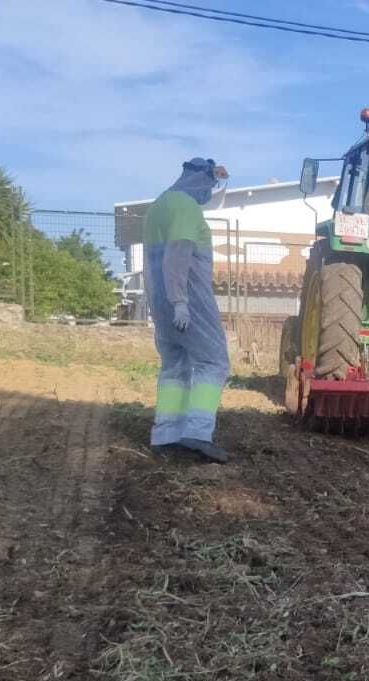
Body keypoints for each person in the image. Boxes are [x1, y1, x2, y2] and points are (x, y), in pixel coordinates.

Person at [145, 158, 230, 463]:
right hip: (189, 300)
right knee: (214, 362)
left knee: (174, 367)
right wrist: (180, 300)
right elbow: (177, 254)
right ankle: (197, 432)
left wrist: (168, 302)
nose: (211, 190)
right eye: (212, 183)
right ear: (201, 179)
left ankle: (166, 433)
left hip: (159, 301)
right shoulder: (185, 206)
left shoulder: (159, 205)